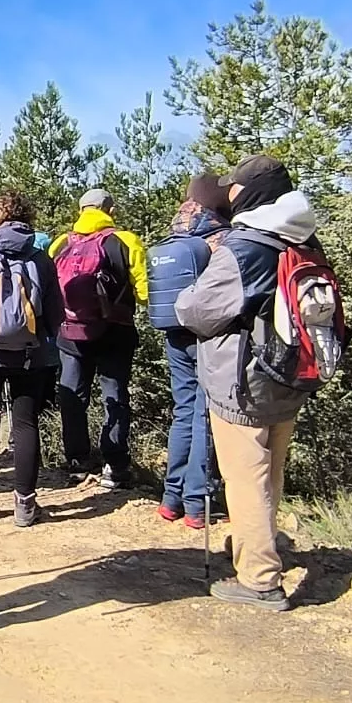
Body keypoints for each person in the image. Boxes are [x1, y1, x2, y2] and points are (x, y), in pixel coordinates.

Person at [175, 155, 325, 612]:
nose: (229, 196)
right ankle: (253, 543)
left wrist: (185, 295)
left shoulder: (247, 247)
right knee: (268, 471)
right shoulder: (304, 238)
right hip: (289, 373)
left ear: (249, 194)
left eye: (234, 189)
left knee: (245, 476)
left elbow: (197, 311)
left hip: (244, 378)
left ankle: (259, 579)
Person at [0, 191, 62, 527]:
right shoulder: (39, 257)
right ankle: (24, 506)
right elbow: (55, 313)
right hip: (29, 354)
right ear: (27, 217)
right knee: (25, 424)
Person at [46, 188, 148, 489]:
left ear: (80, 211)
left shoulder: (61, 243)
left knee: (72, 395)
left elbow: (50, 289)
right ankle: (115, 466)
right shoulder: (126, 241)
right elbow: (143, 293)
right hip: (115, 332)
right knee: (114, 394)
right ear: (110, 212)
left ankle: (77, 462)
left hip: (71, 333)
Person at [147, 177, 231, 527]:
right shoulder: (223, 238)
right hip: (208, 336)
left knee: (183, 411)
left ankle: (171, 498)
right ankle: (197, 503)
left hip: (173, 329)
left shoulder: (176, 234)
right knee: (204, 413)